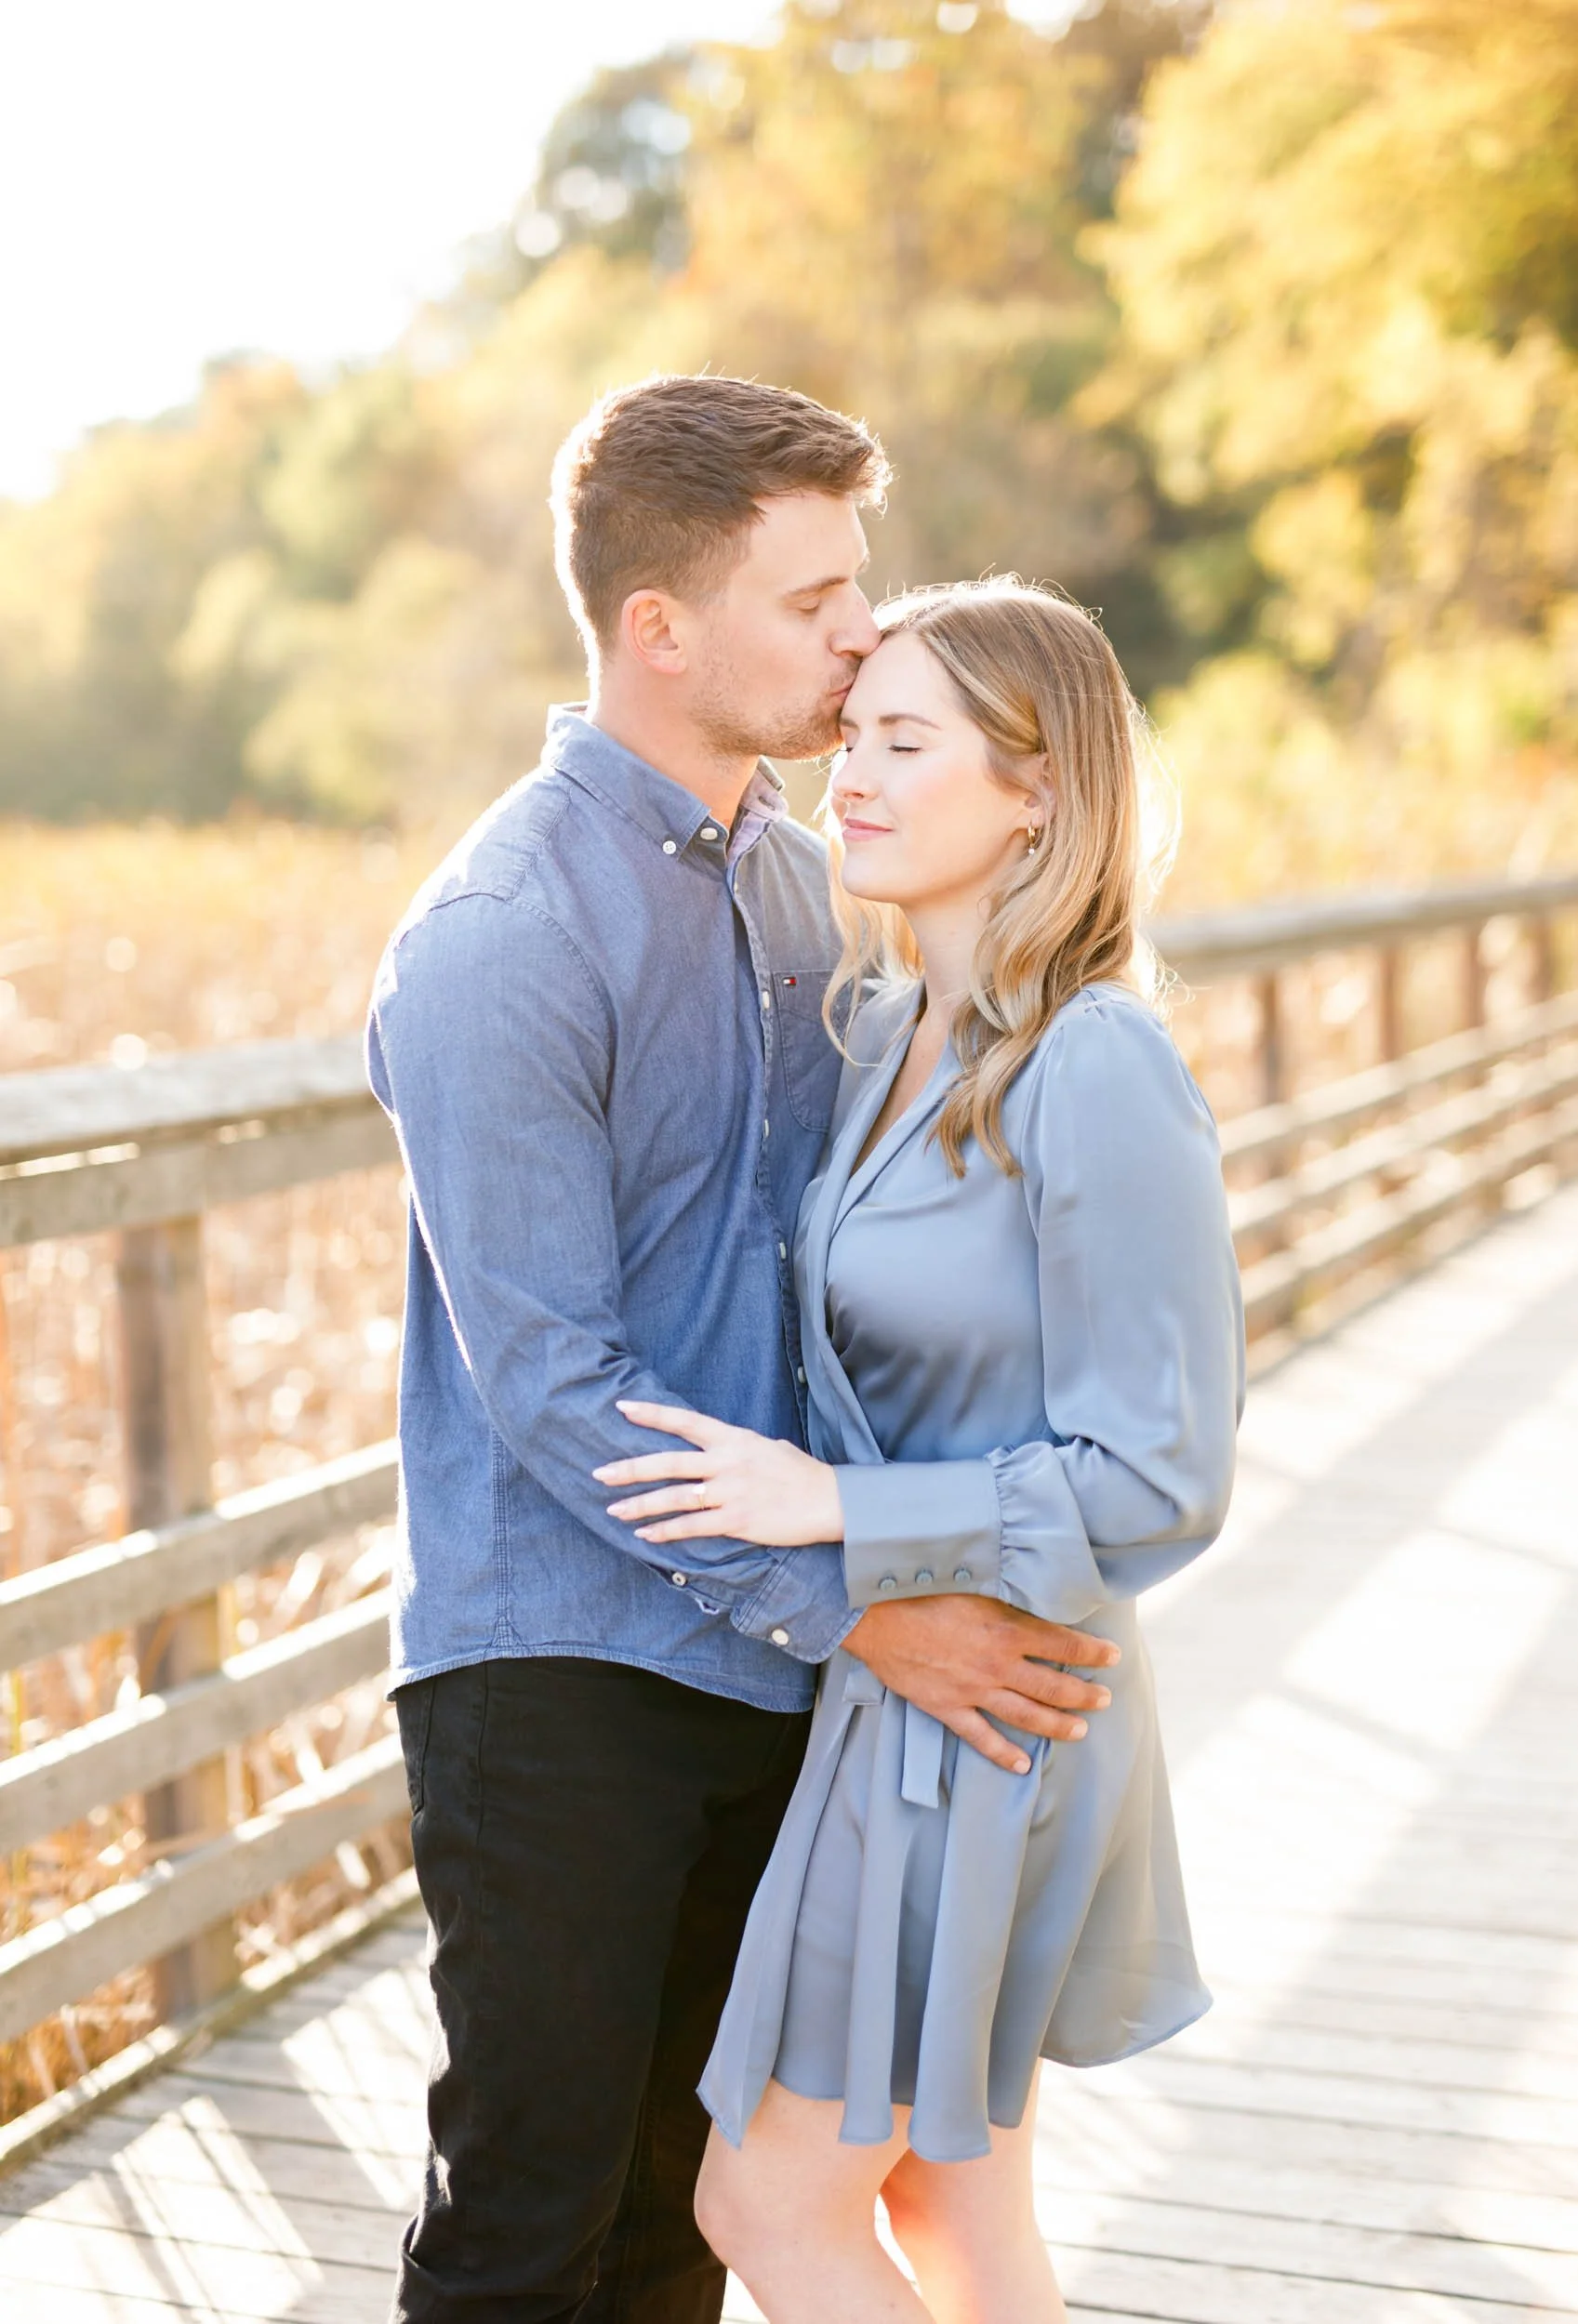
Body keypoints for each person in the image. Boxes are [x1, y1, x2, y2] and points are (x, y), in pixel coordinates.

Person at [365, 380, 1122, 2324]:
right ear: (659, 629)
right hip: (558, 1670)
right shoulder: (501, 933)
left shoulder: (802, 883)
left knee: (673, 2235)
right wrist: (854, 1603)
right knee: (525, 2230)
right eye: (815, 598)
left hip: (779, 1672)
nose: (861, 632)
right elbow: (548, 1379)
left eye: (857, 587)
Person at [596, 579, 1247, 2323]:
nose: (850, 779)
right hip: (900, 1706)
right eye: (850, 735)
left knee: (768, 2206)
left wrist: (837, 1509)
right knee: (959, 2223)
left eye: (906, 742)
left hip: (1001, 1710)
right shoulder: (890, 1036)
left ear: (1036, 789)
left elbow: (1161, 1472)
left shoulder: (1097, 1063)